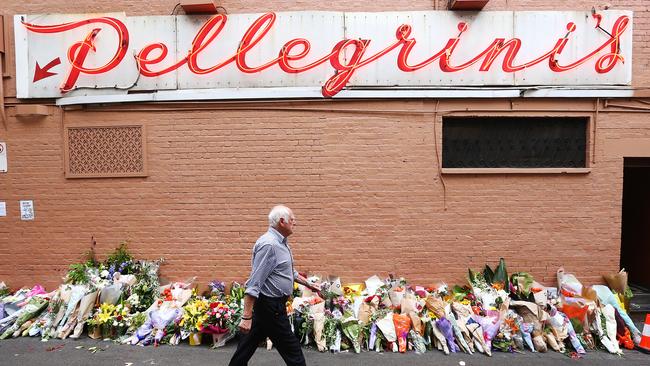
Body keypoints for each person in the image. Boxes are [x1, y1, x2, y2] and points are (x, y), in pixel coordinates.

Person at [229, 205, 320, 366]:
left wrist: (309, 284)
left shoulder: (282, 243)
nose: (295, 223)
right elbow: (254, 282)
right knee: (293, 351)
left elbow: (289, 271)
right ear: (282, 221)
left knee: (246, 347)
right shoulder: (269, 245)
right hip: (271, 308)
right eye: (292, 219)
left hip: (269, 307)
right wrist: (246, 316)